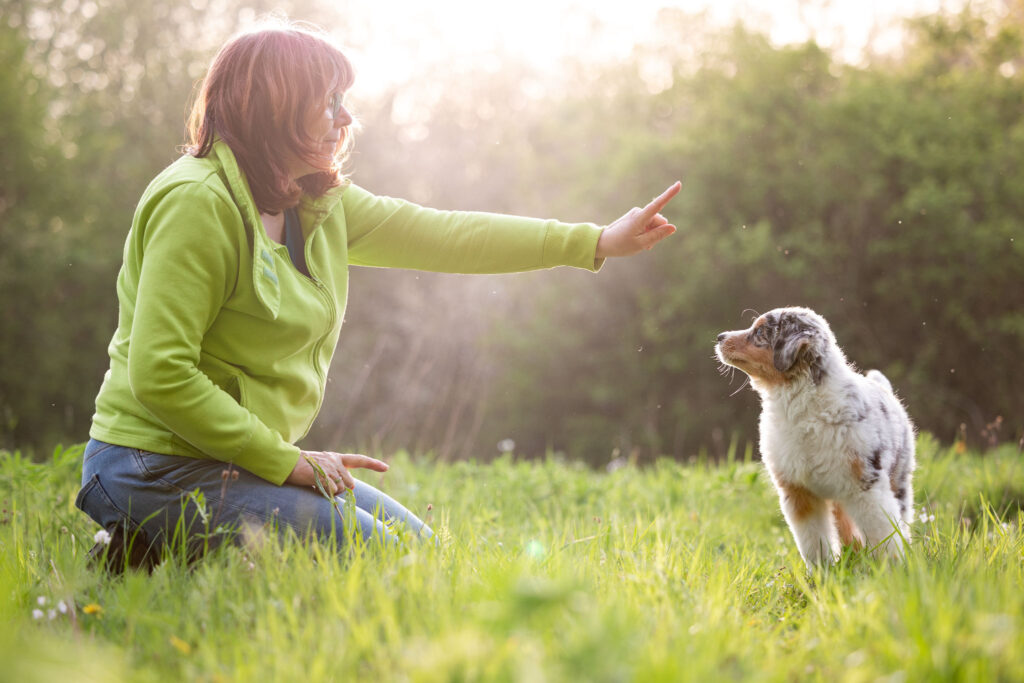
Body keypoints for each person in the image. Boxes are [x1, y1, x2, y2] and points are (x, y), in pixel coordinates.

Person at [75, 19, 680, 567]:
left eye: (345, 101)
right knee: (384, 564)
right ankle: (144, 540)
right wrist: (291, 462)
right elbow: (160, 374)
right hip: (150, 464)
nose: (345, 118)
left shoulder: (313, 203)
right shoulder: (196, 203)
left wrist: (595, 240)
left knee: (422, 555)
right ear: (275, 108)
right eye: (328, 102)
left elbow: (447, 235)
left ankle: (144, 554)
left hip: (235, 458)